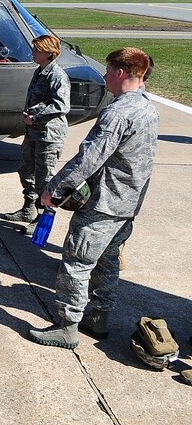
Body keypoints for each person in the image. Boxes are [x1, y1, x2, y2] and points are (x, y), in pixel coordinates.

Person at [29, 47, 158, 349]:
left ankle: (67, 326)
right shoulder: (147, 107)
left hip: (103, 204)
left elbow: (88, 159)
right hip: (127, 203)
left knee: (76, 263)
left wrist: (53, 190)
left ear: (121, 73)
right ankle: (98, 316)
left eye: (108, 69)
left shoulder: (117, 113)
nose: (104, 76)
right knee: (108, 261)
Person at [4, 35, 70, 228]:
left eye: (37, 50)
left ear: (49, 53)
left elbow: (61, 105)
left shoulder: (57, 75)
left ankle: (42, 219)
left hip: (49, 135)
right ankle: (28, 209)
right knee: (26, 171)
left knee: (44, 178)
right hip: (34, 132)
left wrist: (36, 116)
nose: (33, 53)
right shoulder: (39, 71)